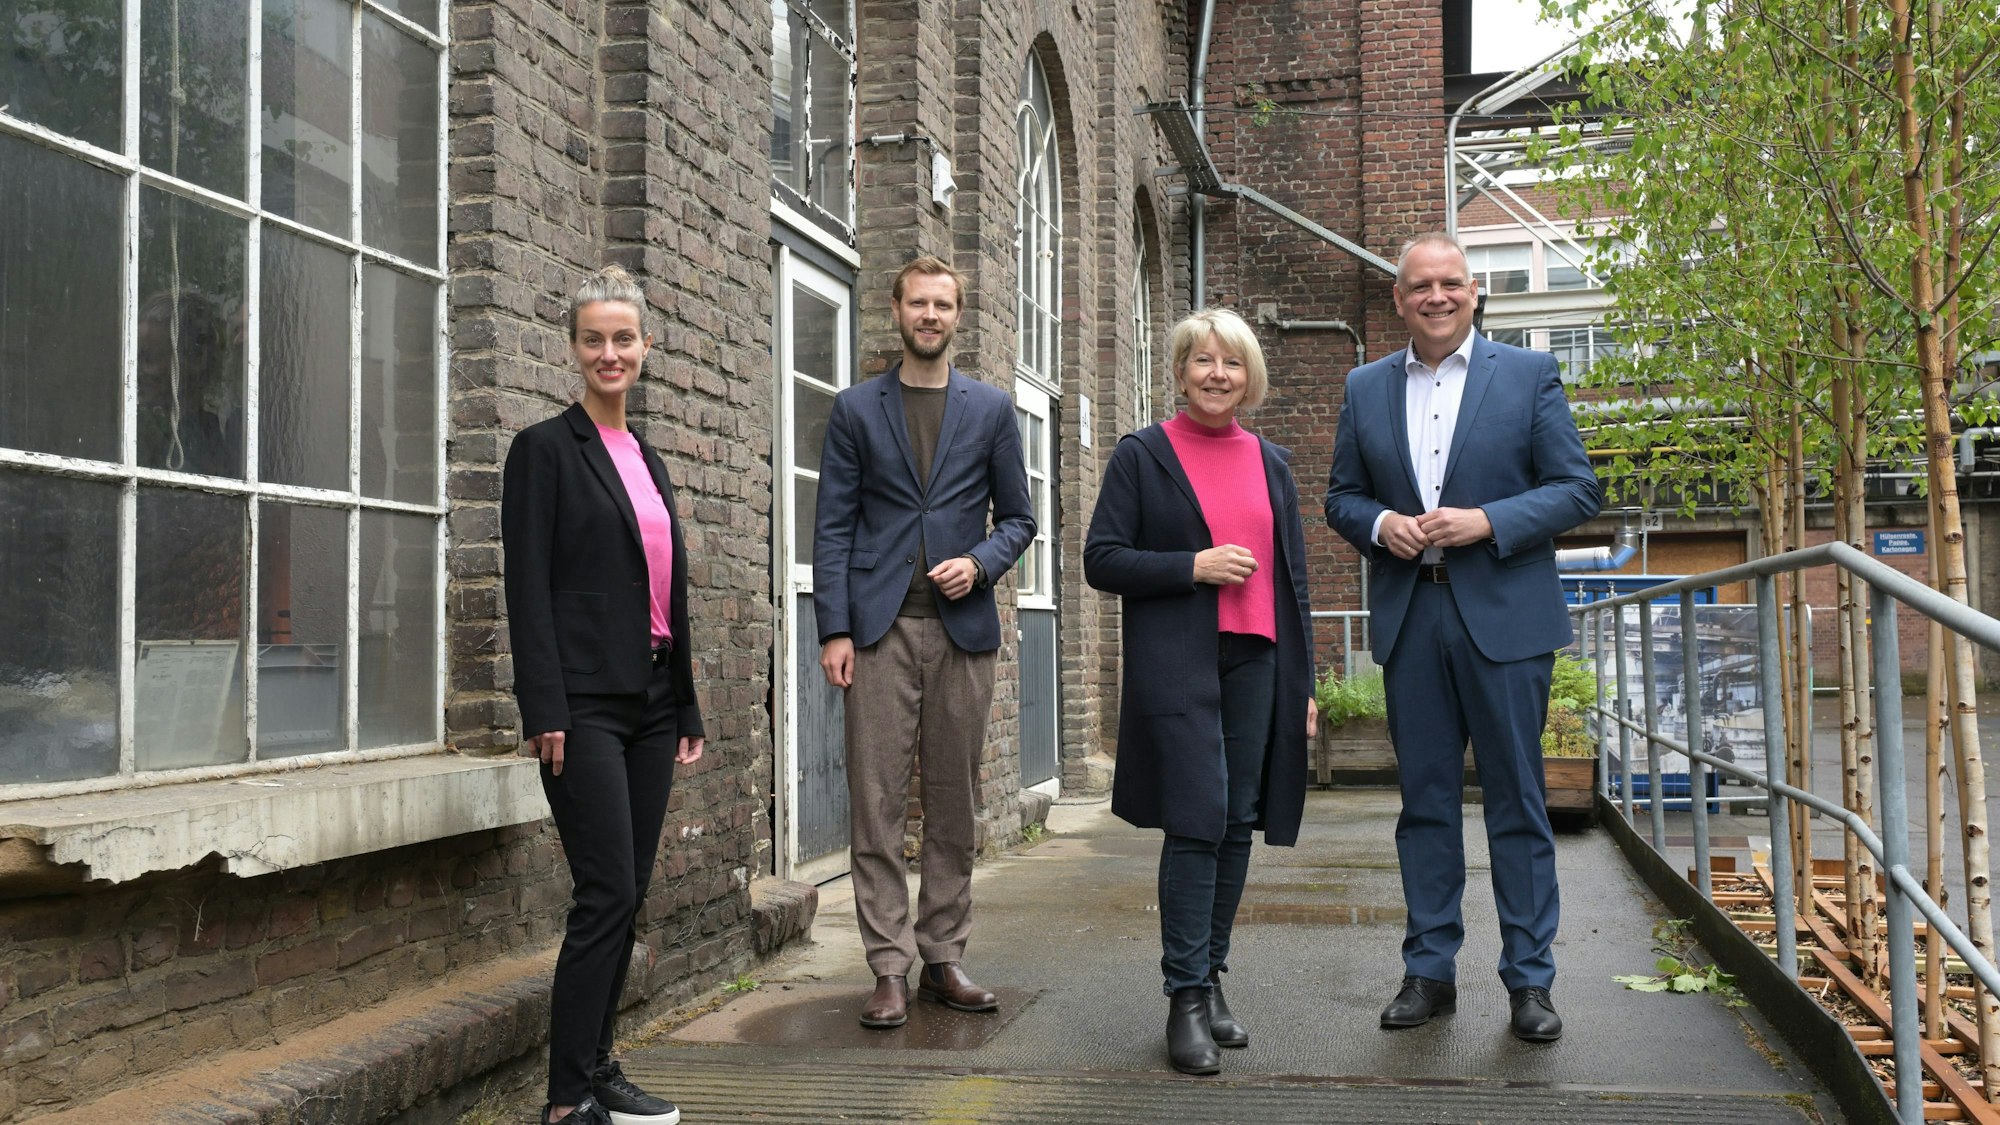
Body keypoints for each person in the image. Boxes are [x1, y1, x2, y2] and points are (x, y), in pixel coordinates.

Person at [1324, 233, 1601, 1044]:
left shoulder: (1527, 374)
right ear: (1399, 298)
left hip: (1506, 617)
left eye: (1450, 283)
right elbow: (1342, 496)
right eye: (1419, 286)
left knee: (1518, 799)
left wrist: (1488, 520)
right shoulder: (1365, 385)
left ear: (1473, 292)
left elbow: (1577, 487)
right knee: (1427, 804)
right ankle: (1429, 970)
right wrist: (1381, 523)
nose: (1435, 297)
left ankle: (1530, 982)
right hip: (1416, 616)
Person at [1083, 308, 1316, 1075]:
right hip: (1179, 660)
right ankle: (1183, 997)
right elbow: (1103, 559)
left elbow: (1294, 582)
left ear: (1250, 377)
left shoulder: (1272, 462)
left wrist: (1304, 684)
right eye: (1203, 360)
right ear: (1180, 370)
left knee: (1239, 819)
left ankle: (1211, 975)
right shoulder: (1142, 455)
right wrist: (1192, 567)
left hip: (1259, 660)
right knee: (1195, 817)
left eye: (1233, 363)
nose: (1218, 374)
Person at [812, 255, 1036, 1030]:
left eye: (944, 304)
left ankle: (944, 952)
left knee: (953, 801)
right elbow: (832, 525)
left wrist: (978, 563)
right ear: (897, 309)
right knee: (874, 801)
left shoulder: (992, 410)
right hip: (876, 630)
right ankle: (886, 966)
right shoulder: (854, 409)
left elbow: (1020, 519)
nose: (931, 315)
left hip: (961, 631)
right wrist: (834, 628)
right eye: (919, 302)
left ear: (958, 315)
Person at [503, 265, 703, 1125]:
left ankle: (598, 1068)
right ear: (574, 348)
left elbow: (667, 587)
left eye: (624, 338)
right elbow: (527, 584)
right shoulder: (545, 450)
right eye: (595, 339)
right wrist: (543, 703)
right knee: (605, 890)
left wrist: (686, 700)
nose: (610, 352)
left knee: (630, 889)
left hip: (652, 701)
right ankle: (563, 1099)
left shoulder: (647, 457)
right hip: (581, 704)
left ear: (646, 347)